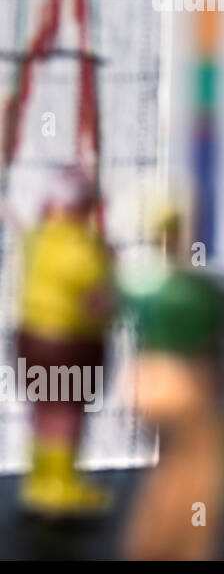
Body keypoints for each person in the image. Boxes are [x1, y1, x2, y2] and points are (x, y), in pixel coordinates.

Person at [119, 198, 224, 559]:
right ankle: (185, 547)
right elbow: (215, 341)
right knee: (201, 473)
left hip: (146, 377)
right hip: (185, 380)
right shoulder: (196, 290)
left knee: (168, 468)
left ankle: (150, 543)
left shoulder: (137, 282)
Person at [15, 167, 116, 518]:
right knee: (67, 417)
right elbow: (100, 300)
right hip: (69, 345)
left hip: (32, 340)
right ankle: (60, 486)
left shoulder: (37, 238)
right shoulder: (84, 250)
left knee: (43, 413)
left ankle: (41, 482)